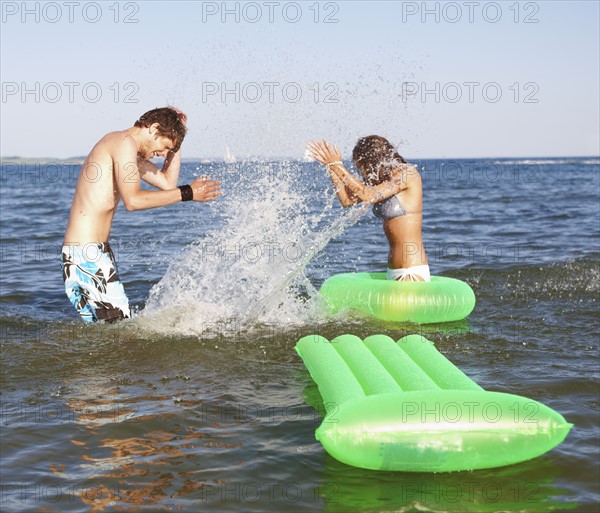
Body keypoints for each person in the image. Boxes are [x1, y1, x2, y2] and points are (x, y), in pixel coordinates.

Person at [61, 107, 221, 322]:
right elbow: (133, 201)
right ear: (154, 128)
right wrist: (189, 193)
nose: (164, 154)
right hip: (86, 255)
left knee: (109, 334)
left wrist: (177, 141)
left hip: (91, 253)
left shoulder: (126, 151)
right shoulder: (121, 142)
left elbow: (167, 183)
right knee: (121, 332)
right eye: (165, 146)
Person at [307, 136, 429, 282]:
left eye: (362, 168)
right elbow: (346, 200)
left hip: (411, 270)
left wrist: (337, 166)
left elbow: (367, 194)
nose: (363, 174)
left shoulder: (407, 175)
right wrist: (331, 168)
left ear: (373, 161)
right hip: (393, 270)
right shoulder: (384, 182)